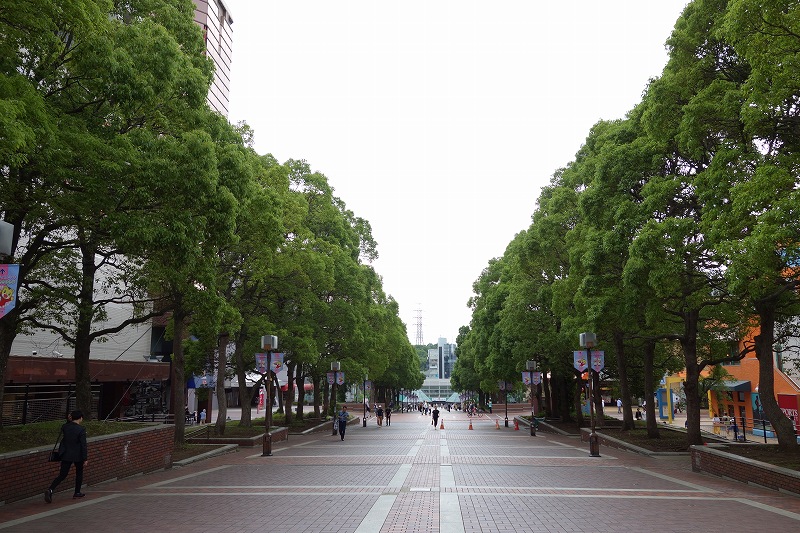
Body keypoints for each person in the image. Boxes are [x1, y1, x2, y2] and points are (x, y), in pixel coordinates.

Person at [45, 410, 88, 502]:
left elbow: (67, 426)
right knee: (79, 473)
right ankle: (77, 492)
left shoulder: (65, 427)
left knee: (62, 475)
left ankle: (50, 489)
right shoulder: (81, 429)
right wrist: (85, 458)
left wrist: (69, 420)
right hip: (78, 455)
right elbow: (83, 445)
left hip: (66, 454)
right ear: (80, 418)